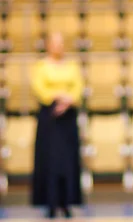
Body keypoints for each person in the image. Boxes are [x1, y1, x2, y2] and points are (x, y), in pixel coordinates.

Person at [30, 32, 83, 219]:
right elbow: (39, 88)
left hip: (68, 117)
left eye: (61, 43)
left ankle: (67, 202)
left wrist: (69, 100)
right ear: (48, 45)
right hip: (49, 117)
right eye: (55, 43)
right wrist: (58, 96)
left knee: (67, 161)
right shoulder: (41, 66)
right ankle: (50, 203)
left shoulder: (72, 66)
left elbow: (78, 87)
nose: (58, 47)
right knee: (50, 161)